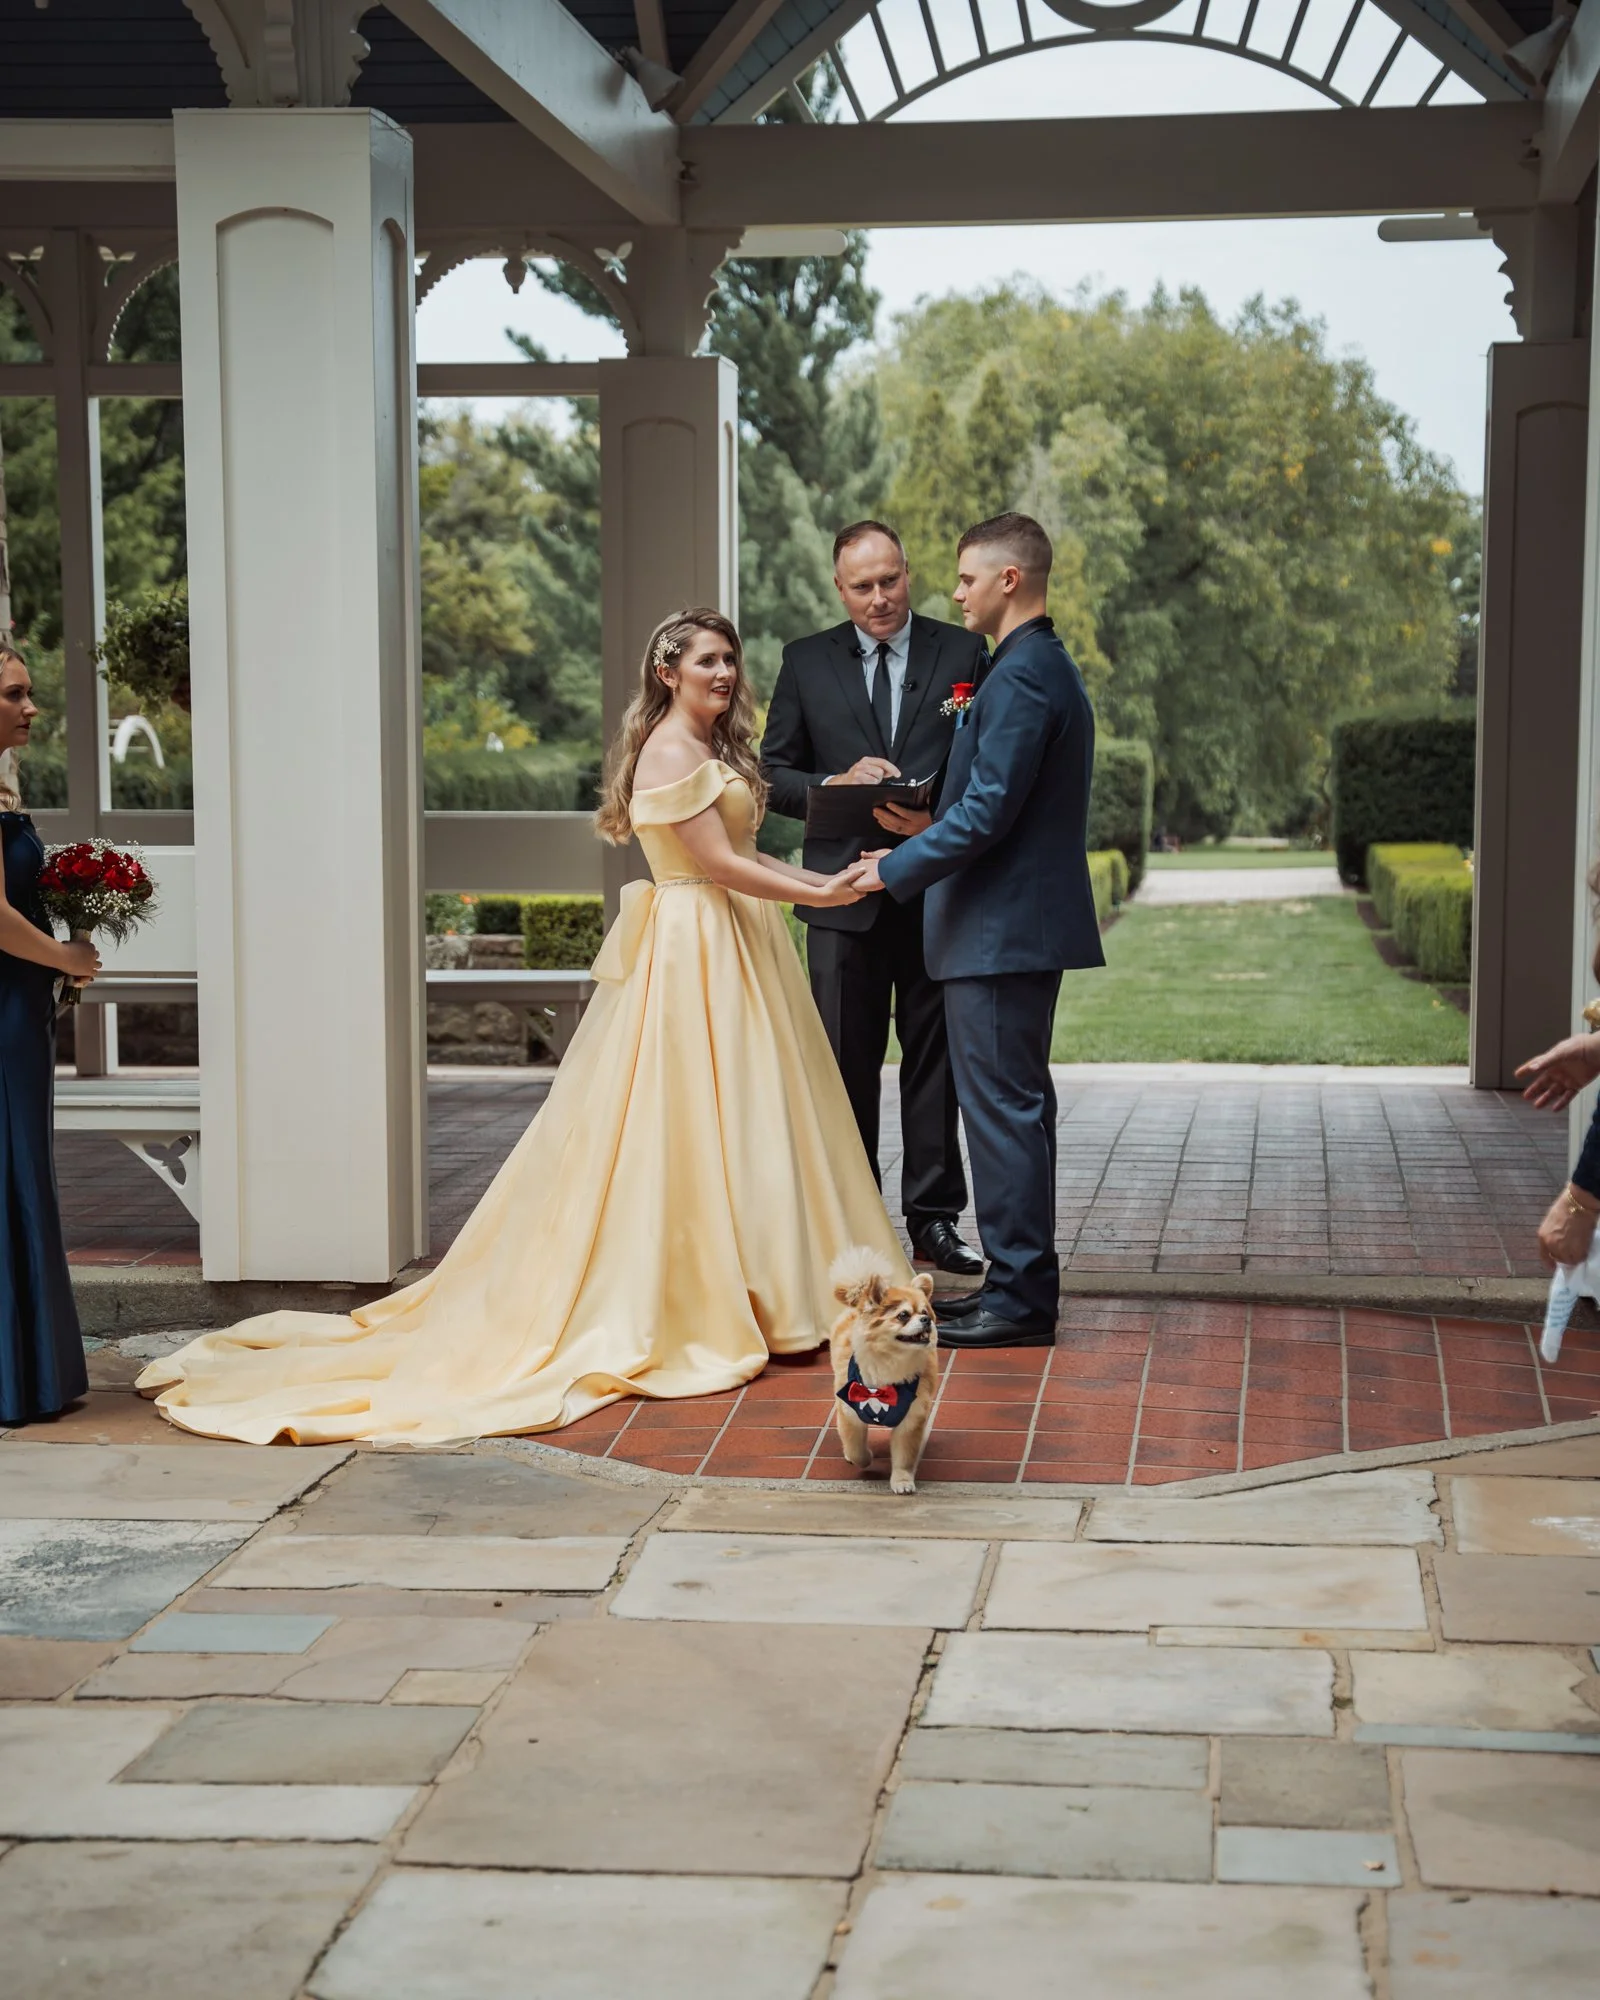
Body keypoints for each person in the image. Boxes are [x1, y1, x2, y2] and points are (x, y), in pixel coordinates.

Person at [139, 609, 911, 1446]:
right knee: (688, 1120)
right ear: (668, 672)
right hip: (696, 946)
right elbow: (720, 866)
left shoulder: (717, 750)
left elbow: (749, 859)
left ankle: (771, 1286)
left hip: (735, 943)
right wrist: (821, 894)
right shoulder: (669, 751)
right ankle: (702, 1293)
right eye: (707, 661)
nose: (724, 674)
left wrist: (824, 884)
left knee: (758, 1117)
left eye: (730, 660)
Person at [849, 514, 1105, 1349]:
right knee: (1016, 1115)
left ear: (1008, 581)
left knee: (1004, 1117)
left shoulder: (1026, 674)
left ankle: (1023, 1303)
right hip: (1006, 932)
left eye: (965, 577)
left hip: (1001, 933)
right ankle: (1017, 1284)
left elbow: (993, 814)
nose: (951, 591)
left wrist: (893, 865)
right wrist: (930, 809)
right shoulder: (1022, 669)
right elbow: (995, 797)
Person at [761, 521, 985, 1277]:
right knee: (844, 1068)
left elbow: (986, 758)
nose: (881, 597)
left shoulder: (964, 655)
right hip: (840, 899)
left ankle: (933, 1224)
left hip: (932, 892)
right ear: (839, 588)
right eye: (864, 586)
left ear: (908, 573)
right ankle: (854, 1227)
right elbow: (773, 775)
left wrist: (936, 813)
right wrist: (834, 782)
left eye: (891, 580)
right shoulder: (803, 661)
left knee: (935, 1065)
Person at [0, 641, 101, 1425]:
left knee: (20, 1171)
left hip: (19, 1008)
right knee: (13, 1170)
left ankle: (26, 1368)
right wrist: (64, 954)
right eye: (14, 694)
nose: (30, 708)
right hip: (3, 1014)